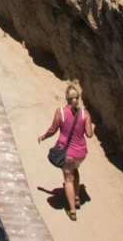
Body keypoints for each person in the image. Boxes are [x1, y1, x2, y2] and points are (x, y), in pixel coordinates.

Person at [38, 81, 94, 220]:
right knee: (75, 170)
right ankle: (76, 196)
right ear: (78, 98)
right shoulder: (84, 114)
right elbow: (89, 134)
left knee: (68, 179)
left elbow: (53, 129)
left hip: (67, 153)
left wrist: (43, 136)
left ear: (66, 98)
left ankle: (72, 210)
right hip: (80, 153)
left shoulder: (61, 112)